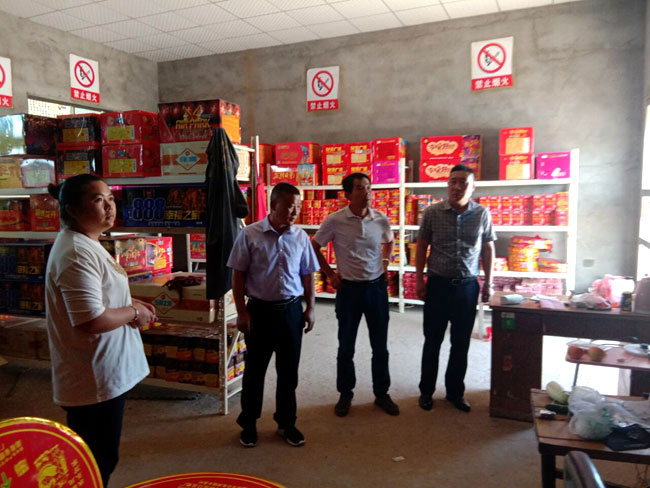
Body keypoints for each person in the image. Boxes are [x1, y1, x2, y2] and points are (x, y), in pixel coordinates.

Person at [45, 174, 157, 486]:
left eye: (110, 198)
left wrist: (131, 303)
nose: (109, 206)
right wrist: (133, 312)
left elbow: (99, 296)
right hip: (93, 378)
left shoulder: (87, 242)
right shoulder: (76, 253)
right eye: (98, 200)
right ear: (72, 209)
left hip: (104, 372)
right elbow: (90, 320)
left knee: (102, 457)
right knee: (95, 462)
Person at [227, 182, 319, 448]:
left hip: (291, 311)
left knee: (289, 372)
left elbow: (307, 275)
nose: (295, 212)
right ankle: (249, 423)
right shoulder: (250, 234)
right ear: (274, 205)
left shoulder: (301, 237)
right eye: (290, 206)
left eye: (298, 206)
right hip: (260, 312)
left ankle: (286, 423)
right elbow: (238, 275)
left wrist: (311, 308)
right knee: (255, 371)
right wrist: (242, 312)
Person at [312, 173, 399, 417]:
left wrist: (385, 261)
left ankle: (382, 393)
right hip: (348, 290)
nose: (367, 193)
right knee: (346, 346)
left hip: (376, 289)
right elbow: (314, 246)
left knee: (380, 346)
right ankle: (345, 393)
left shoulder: (380, 218)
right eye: (360, 188)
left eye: (369, 188)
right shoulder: (335, 220)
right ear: (348, 194)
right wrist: (330, 274)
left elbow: (390, 241)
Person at [415, 163, 496, 413]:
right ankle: (426, 391)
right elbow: (421, 246)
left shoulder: (482, 214)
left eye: (463, 182)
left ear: (473, 187)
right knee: (433, 341)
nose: (457, 187)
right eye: (452, 182)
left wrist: (488, 282)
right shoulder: (432, 212)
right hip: (438, 285)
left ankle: (455, 392)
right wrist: (418, 279)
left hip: (467, 287)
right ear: (447, 185)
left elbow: (488, 248)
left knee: (461, 344)